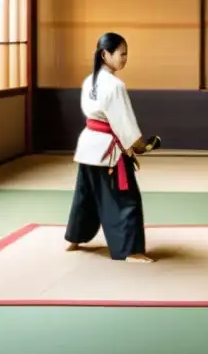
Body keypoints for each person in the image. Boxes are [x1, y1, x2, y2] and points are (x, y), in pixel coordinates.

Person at [65, 32, 161, 263]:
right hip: (108, 150)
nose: (125, 59)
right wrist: (138, 146)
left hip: (88, 146)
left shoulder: (90, 80)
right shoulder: (115, 85)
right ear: (104, 54)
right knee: (125, 199)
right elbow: (123, 122)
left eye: (126, 54)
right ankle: (131, 250)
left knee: (86, 195)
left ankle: (75, 238)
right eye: (121, 54)